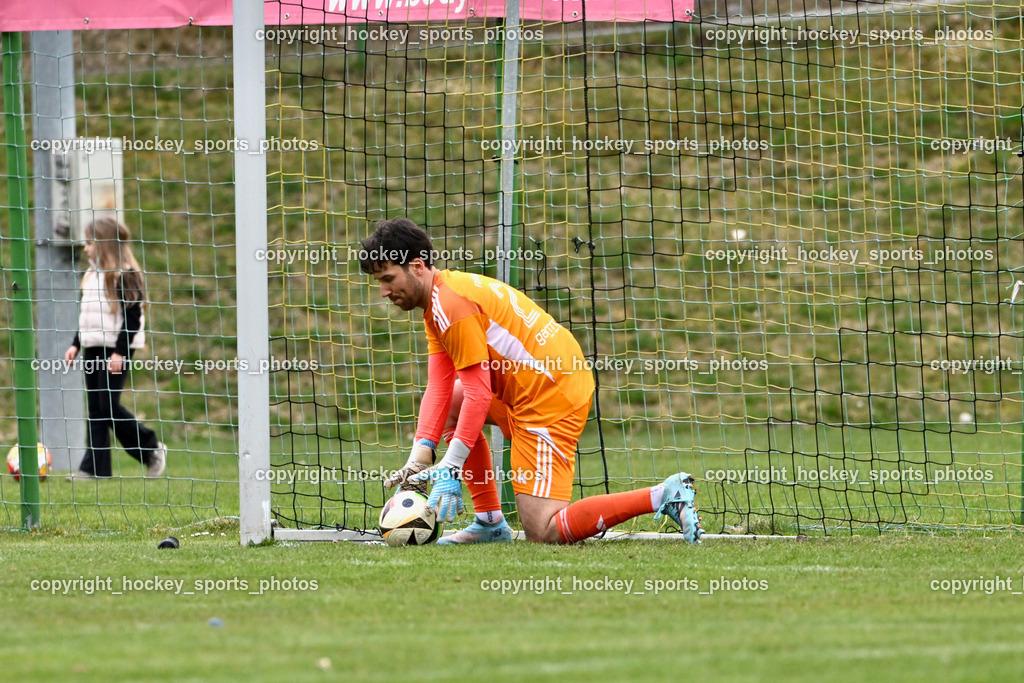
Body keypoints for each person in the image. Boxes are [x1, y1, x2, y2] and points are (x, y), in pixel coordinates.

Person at [359, 217, 701, 544]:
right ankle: (490, 523)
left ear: (417, 266)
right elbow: (440, 388)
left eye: (388, 279)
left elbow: (478, 395)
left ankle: (663, 495)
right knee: (453, 401)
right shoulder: (439, 301)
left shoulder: (451, 304)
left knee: (543, 529)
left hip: (550, 395)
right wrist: (419, 458)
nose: (384, 291)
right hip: (537, 383)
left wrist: (451, 465)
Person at [64, 218, 166, 480]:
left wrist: (119, 352)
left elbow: (133, 318)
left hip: (115, 348)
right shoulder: (91, 275)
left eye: (89, 242)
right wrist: (76, 344)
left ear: (104, 244)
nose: (85, 248)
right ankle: (94, 468)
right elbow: (87, 317)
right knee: (96, 408)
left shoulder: (125, 275)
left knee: (108, 405)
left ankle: (150, 448)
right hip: (93, 346)